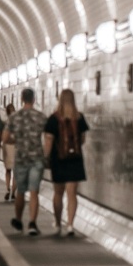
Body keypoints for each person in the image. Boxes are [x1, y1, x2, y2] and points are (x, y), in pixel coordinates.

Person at [43, 90, 89, 236]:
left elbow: (49, 141)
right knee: (72, 194)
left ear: (60, 100)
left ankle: (57, 223)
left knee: (58, 193)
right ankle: (70, 225)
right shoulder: (79, 117)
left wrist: (46, 157)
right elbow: (82, 140)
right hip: (75, 160)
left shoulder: (53, 119)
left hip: (59, 160)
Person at [4, 89, 48, 236]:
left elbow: (5, 138)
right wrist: (46, 155)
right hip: (36, 158)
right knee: (34, 192)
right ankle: (32, 224)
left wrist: (16, 140)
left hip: (21, 158)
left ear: (22, 98)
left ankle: (18, 220)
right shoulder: (41, 117)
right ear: (34, 99)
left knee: (21, 191)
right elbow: (48, 137)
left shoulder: (14, 117)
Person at [2, 103, 17, 201]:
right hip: (16, 146)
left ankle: (8, 189)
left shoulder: (5, 121)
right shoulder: (18, 121)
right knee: (15, 171)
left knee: (8, 170)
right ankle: (13, 192)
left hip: (7, 146)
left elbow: (3, 136)